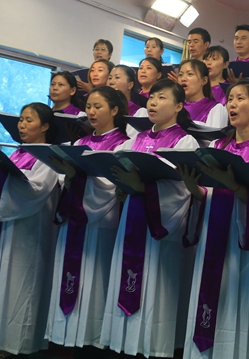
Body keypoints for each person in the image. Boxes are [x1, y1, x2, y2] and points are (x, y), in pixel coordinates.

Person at [178, 80, 249, 359]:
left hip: (244, 245)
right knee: (209, 298)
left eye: (240, 99)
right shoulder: (216, 145)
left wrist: (237, 187)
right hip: (214, 237)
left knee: (242, 306)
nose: (232, 105)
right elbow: (208, 195)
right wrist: (194, 189)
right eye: (230, 100)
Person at [99, 80, 199, 357]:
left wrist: (143, 187)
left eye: (162, 98)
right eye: (151, 97)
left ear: (179, 106)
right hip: (132, 219)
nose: (153, 102)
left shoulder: (185, 141)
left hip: (159, 228)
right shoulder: (136, 139)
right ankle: (123, 345)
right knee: (126, 281)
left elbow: (181, 190)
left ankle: (151, 350)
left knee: (155, 292)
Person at [0, 103, 61, 357]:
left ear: (46, 126)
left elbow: (36, 190)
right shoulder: (19, 153)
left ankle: (16, 346)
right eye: (21, 119)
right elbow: (9, 182)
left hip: (28, 233)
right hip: (6, 228)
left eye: (29, 120)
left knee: (20, 285)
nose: (22, 124)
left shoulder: (47, 156)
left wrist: (2, 180)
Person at [45, 87, 130, 353]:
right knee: (68, 278)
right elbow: (62, 178)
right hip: (74, 222)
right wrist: (70, 174)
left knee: (94, 283)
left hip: (101, 225)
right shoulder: (79, 144)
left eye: (98, 107)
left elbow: (112, 185)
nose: (91, 112)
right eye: (89, 107)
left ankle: (90, 340)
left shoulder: (124, 144)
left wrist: (79, 175)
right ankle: (63, 338)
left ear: (115, 110)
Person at [178, 59, 228, 127]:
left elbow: (215, 136)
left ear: (204, 80)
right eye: (180, 75)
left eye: (190, 74)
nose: (183, 78)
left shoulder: (215, 109)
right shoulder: (175, 108)